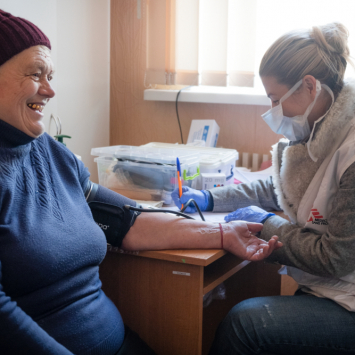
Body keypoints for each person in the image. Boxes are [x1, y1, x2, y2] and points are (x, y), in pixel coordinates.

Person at [0, 9, 282, 355]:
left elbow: (126, 221)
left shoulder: (49, 152)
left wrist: (222, 234)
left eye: (51, 75)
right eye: (35, 74)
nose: (50, 90)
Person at [173, 22, 355, 354]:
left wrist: (266, 223)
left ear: (309, 86)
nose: (272, 110)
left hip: (348, 299)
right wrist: (211, 197)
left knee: (245, 324)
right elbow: (277, 187)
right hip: (334, 290)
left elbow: (334, 258)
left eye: (275, 98)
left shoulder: (351, 150)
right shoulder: (317, 131)